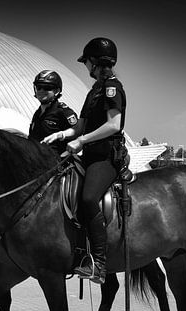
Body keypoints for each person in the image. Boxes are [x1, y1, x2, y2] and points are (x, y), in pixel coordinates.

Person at [43, 37, 126, 285]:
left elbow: (114, 125)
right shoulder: (95, 90)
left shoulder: (112, 88)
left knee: (89, 198)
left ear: (95, 61)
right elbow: (80, 126)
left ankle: (98, 264)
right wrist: (63, 134)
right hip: (89, 154)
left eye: (87, 61)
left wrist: (81, 141)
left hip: (106, 156)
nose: (86, 66)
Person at [28, 70, 78, 157]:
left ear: (57, 91)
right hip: (35, 160)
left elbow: (77, 132)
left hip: (57, 164)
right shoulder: (37, 113)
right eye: (39, 87)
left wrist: (60, 136)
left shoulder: (63, 111)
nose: (41, 90)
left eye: (47, 87)